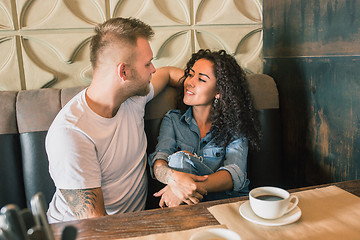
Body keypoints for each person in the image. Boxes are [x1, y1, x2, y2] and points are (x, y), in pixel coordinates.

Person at [45, 17, 181, 223]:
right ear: (124, 72)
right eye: (147, 64)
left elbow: (169, 73)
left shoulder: (134, 96)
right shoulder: (71, 134)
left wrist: (219, 91)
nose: (153, 69)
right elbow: (97, 226)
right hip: (81, 234)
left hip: (129, 225)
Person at [148, 49, 261, 208]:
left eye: (201, 79)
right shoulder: (173, 120)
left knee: (180, 160)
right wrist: (174, 180)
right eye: (190, 74)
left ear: (219, 92)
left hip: (228, 203)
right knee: (179, 159)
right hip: (187, 206)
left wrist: (184, 187)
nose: (189, 82)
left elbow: (235, 173)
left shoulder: (234, 125)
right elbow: (160, 161)